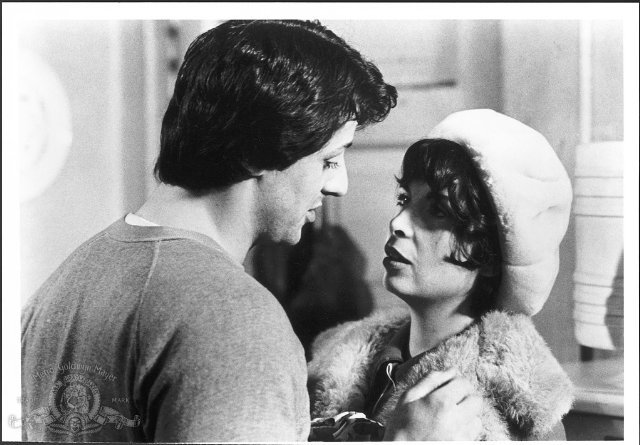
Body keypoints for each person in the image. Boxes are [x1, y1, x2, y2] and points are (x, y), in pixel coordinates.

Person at [21, 20, 483, 442]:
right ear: (258, 152)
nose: (338, 185)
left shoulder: (65, 286)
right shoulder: (233, 321)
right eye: (328, 160)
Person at [308, 109, 576, 440]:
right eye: (404, 199)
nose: (398, 223)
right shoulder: (334, 360)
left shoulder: (518, 417)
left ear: (491, 255)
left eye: (437, 211)